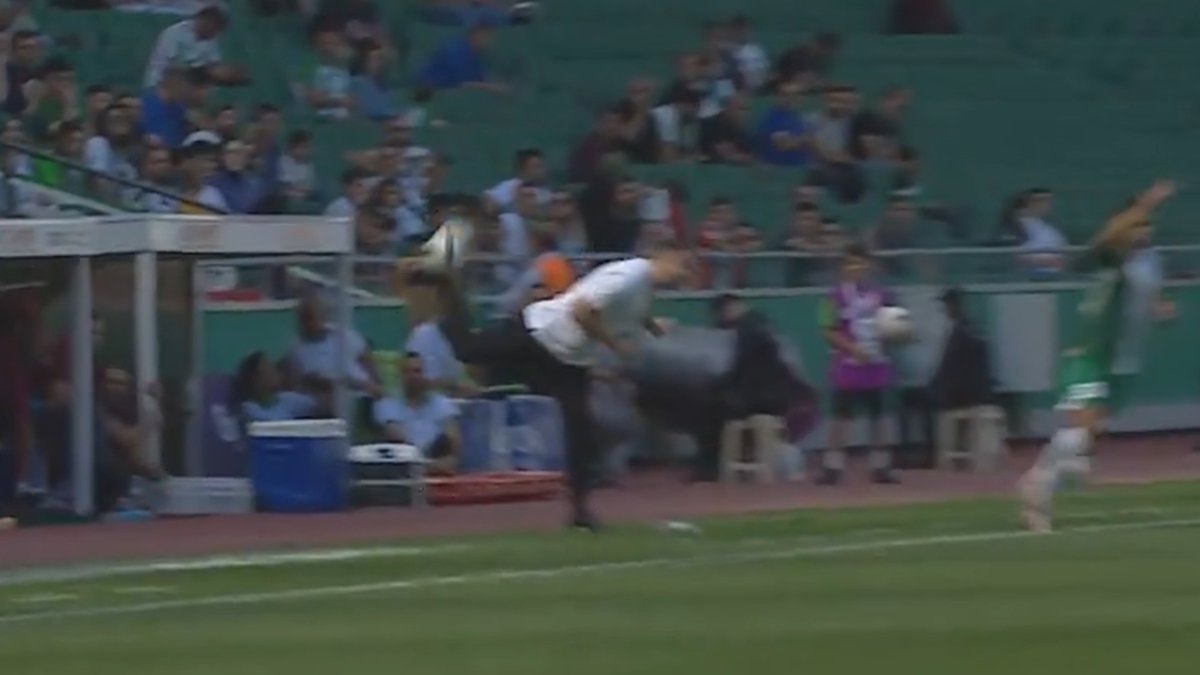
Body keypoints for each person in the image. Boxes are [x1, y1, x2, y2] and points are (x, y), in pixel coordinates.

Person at [407, 246, 694, 530]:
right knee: (468, 351)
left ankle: (580, 511)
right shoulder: (628, 276)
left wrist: (652, 325)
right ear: (665, 258)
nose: (685, 276)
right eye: (683, 268)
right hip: (540, 332)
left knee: (580, 429)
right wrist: (614, 345)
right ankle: (449, 285)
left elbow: (626, 310)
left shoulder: (644, 286)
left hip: (570, 357)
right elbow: (581, 310)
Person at [1018, 180, 1177, 533]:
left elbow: (1150, 296)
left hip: (1124, 361)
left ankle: (1058, 471)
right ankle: (1036, 487)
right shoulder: (1111, 258)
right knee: (1079, 430)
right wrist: (1145, 203)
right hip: (1091, 355)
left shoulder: (1150, 262)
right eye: (1137, 225)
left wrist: (1160, 307)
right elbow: (1107, 237)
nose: (1144, 231)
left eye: (1147, 226)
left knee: (1088, 434)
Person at [817, 243, 901, 486]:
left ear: (869, 266)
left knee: (880, 416)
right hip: (848, 365)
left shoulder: (884, 295)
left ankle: (881, 466)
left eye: (861, 263)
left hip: (876, 364)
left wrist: (888, 338)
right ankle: (832, 467)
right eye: (851, 264)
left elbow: (896, 327)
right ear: (843, 267)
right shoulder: (833, 297)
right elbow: (827, 330)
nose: (857, 268)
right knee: (840, 418)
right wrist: (852, 348)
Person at [373, 354, 462, 475]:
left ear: (425, 374)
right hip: (403, 469)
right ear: (400, 377)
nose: (413, 376)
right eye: (407, 372)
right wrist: (422, 464)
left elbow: (453, 442)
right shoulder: (387, 404)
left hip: (439, 466)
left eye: (417, 371)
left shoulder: (443, 404)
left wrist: (434, 464)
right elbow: (397, 439)